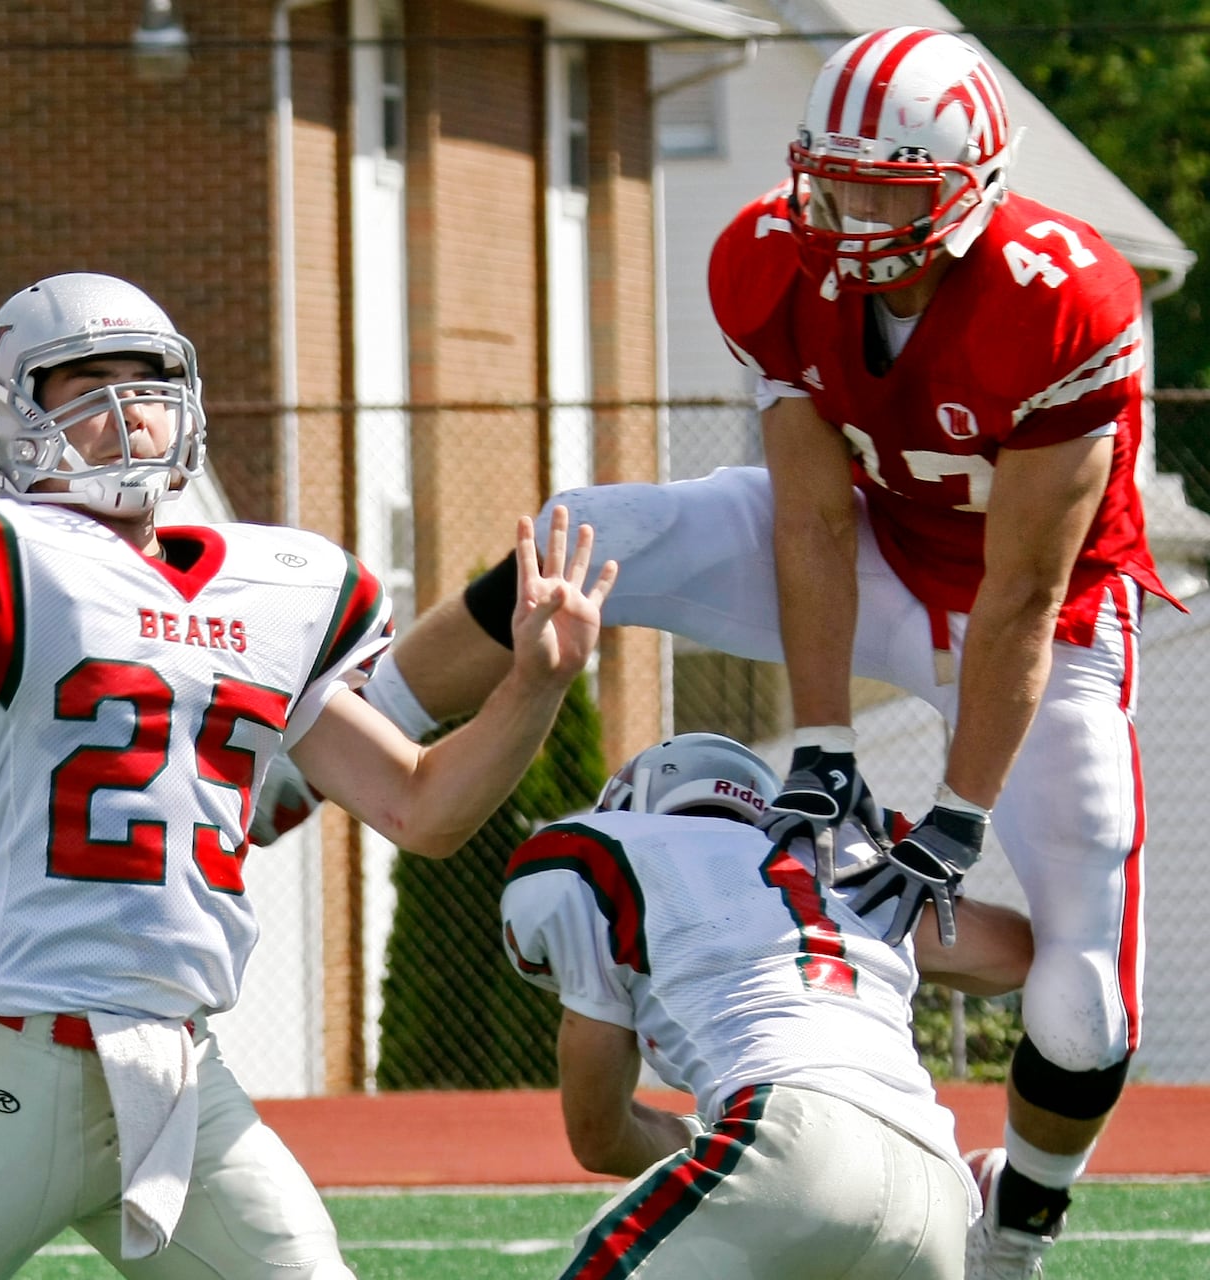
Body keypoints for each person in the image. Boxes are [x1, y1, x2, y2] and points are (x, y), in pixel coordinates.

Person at [264, 26, 1177, 1280]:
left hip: (1038, 620)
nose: (850, 221)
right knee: (595, 530)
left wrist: (958, 809)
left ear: (971, 187)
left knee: (1084, 989)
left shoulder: (1063, 297)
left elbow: (1023, 587)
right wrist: (822, 741)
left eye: (888, 195)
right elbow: (807, 515)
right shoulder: (767, 257)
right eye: (834, 183)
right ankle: (313, 752)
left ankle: (1012, 1236)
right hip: (866, 543)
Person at [0, 270, 615, 1280]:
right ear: (8, 416)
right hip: (10, 1059)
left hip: (182, 1075)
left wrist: (533, 686)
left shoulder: (276, 587)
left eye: (146, 378)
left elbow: (422, 806)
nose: (126, 406)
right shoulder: (0, 547)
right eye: (84, 380)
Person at [500, 731, 1034, 1280]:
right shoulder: (842, 869)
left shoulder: (606, 850)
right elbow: (1020, 957)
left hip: (791, 1143)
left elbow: (599, 1136)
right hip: (940, 1195)